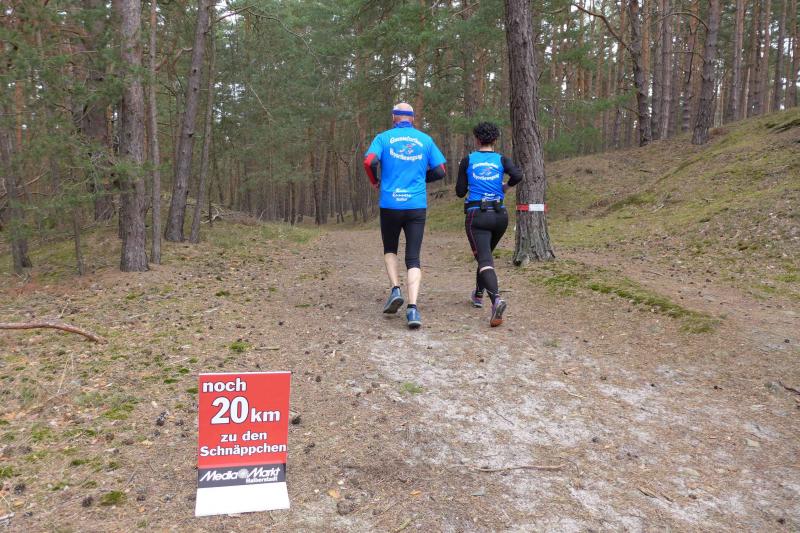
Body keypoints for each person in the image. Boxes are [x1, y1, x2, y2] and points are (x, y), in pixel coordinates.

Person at [363, 103, 447, 329]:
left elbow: (369, 161)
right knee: (413, 257)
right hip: (416, 205)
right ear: (413, 119)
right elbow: (441, 170)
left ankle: (395, 290)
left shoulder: (382, 138)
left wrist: (374, 180)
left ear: (394, 118)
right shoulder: (425, 140)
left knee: (390, 249)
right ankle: (412, 308)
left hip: (390, 204)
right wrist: (421, 178)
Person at [456, 122, 522, 327]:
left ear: (477, 139)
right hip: (500, 216)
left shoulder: (468, 160)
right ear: (495, 140)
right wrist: (505, 187)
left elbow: (460, 192)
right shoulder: (501, 159)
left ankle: (496, 301)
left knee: (484, 259)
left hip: (477, 215)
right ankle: (478, 294)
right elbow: (518, 175)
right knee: (486, 257)